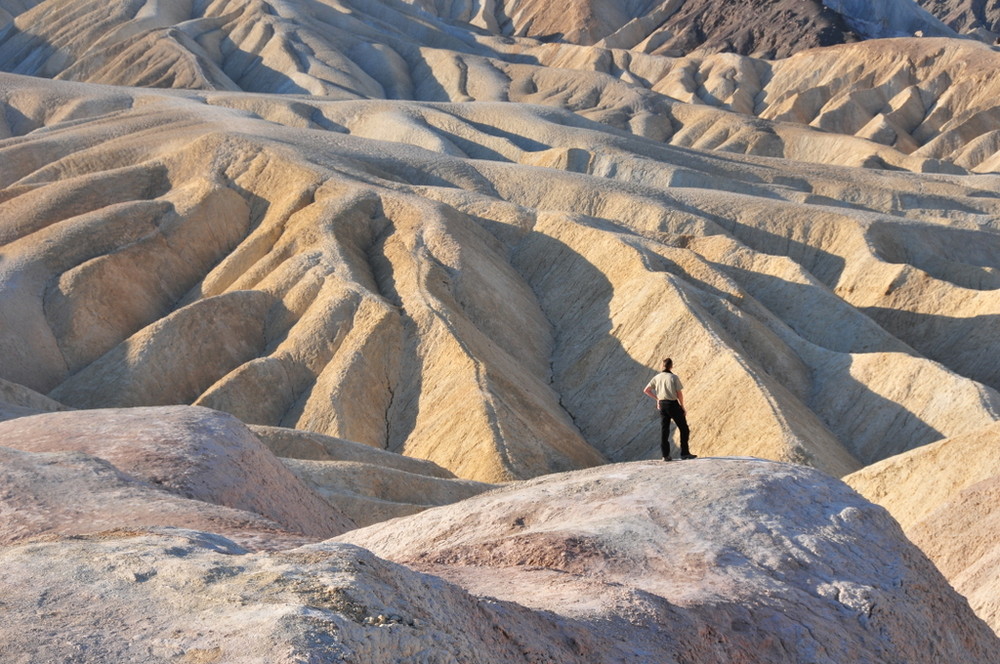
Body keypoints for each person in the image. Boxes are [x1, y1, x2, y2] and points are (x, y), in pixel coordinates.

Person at [643, 358, 695, 461]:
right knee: (684, 428)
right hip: (673, 404)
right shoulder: (673, 377)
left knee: (664, 430)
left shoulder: (656, 377)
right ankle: (684, 453)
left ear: (662, 366)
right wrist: (682, 406)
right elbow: (679, 393)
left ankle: (665, 455)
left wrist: (658, 399)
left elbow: (646, 390)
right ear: (671, 366)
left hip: (662, 405)